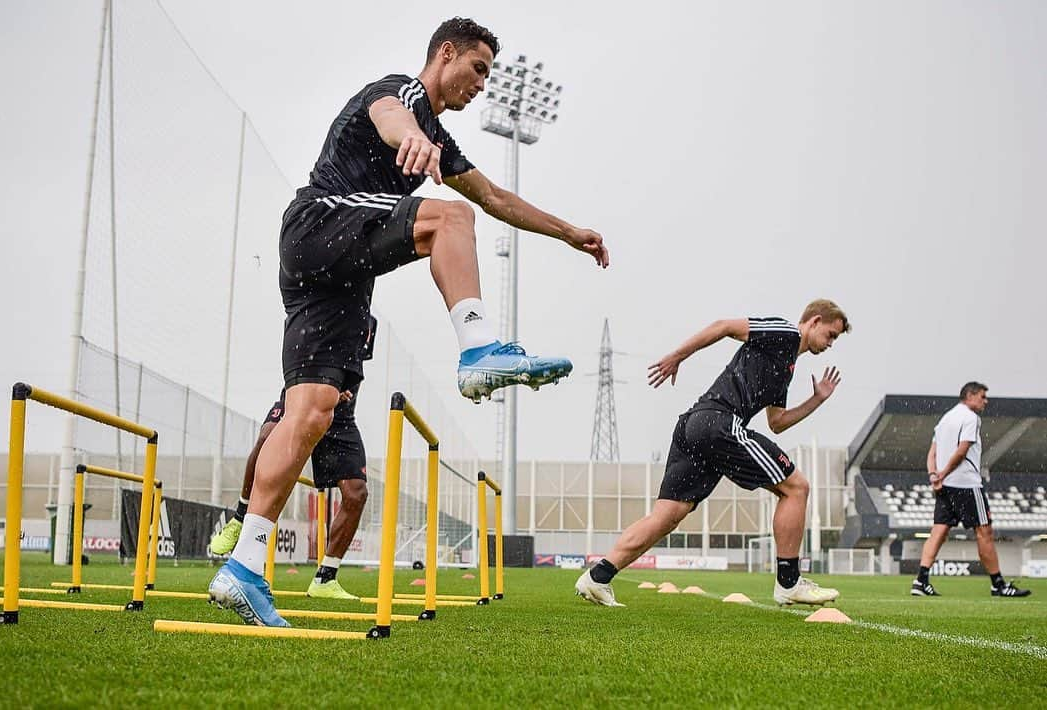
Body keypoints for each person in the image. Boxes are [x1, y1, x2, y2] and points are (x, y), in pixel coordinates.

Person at [210, 17, 607, 626]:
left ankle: (243, 565)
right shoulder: (403, 94)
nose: (481, 85)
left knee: (312, 412)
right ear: (445, 53)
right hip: (321, 222)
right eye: (477, 69)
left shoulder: (441, 140)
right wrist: (412, 139)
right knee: (450, 219)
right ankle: (479, 350)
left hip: (334, 277)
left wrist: (568, 232)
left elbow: (497, 199)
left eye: (488, 75)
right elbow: (390, 112)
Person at [576, 300, 851, 607]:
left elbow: (778, 423)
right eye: (830, 335)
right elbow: (725, 327)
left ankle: (597, 577)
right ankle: (789, 583)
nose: (830, 343)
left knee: (667, 516)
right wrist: (678, 357)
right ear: (813, 321)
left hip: (693, 426)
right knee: (796, 487)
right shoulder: (785, 332)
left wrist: (817, 400)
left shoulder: (785, 365)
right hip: (718, 422)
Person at [208, 319, 379, 602]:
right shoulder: (315, 299)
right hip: (303, 397)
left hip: (341, 414)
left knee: (356, 493)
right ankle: (239, 517)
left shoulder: (365, 319)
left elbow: (355, 361)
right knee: (268, 435)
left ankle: (326, 578)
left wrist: (340, 387)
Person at [911, 382, 1031, 598]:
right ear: (970, 395)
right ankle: (998, 584)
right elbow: (962, 450)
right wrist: (944, 473)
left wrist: (934, 476)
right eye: (983, 396)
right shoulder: (970, 418)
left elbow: (932, 453)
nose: (986, 401)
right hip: (966, 484)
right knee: (984, 532)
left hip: (945, 487)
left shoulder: (945, 418)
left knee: (939, 531)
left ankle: (920, 580)